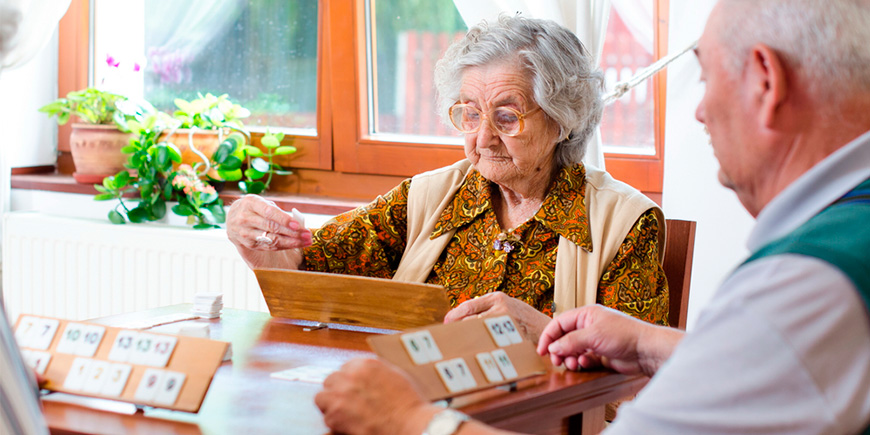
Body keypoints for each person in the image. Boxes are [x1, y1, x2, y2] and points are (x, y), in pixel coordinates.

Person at [314, 0, 870, 433]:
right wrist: (647, 344)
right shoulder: (837, 245)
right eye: (469, 113)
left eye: (705, 78)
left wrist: (411, 423)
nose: (700, 110)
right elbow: (754, 368)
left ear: (765, 81)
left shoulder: (808, 279)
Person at [227, 15, 669, 342]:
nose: (484, 137)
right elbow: (309, 268)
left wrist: (545, 336)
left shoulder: (623, 223)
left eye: (507, 116)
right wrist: (261, 240)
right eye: (470, 114)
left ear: (563, 120)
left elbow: (640, 382)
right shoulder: (428, 197)